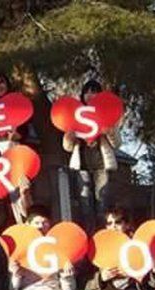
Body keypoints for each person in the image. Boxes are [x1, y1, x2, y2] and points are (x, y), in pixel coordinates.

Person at [62, 79, 119, 233]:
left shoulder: (107, 115)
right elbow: (67, 148)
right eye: (87, 92)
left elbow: (117, 144)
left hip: (102, 167)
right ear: (82, 95)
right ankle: (89, 237)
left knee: (103, 206)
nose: (90, 95)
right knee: (85, 206)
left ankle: (104, 236)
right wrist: (69, 135)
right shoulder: (75, 117)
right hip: (82, 168)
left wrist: (109, 131)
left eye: (94, 91)